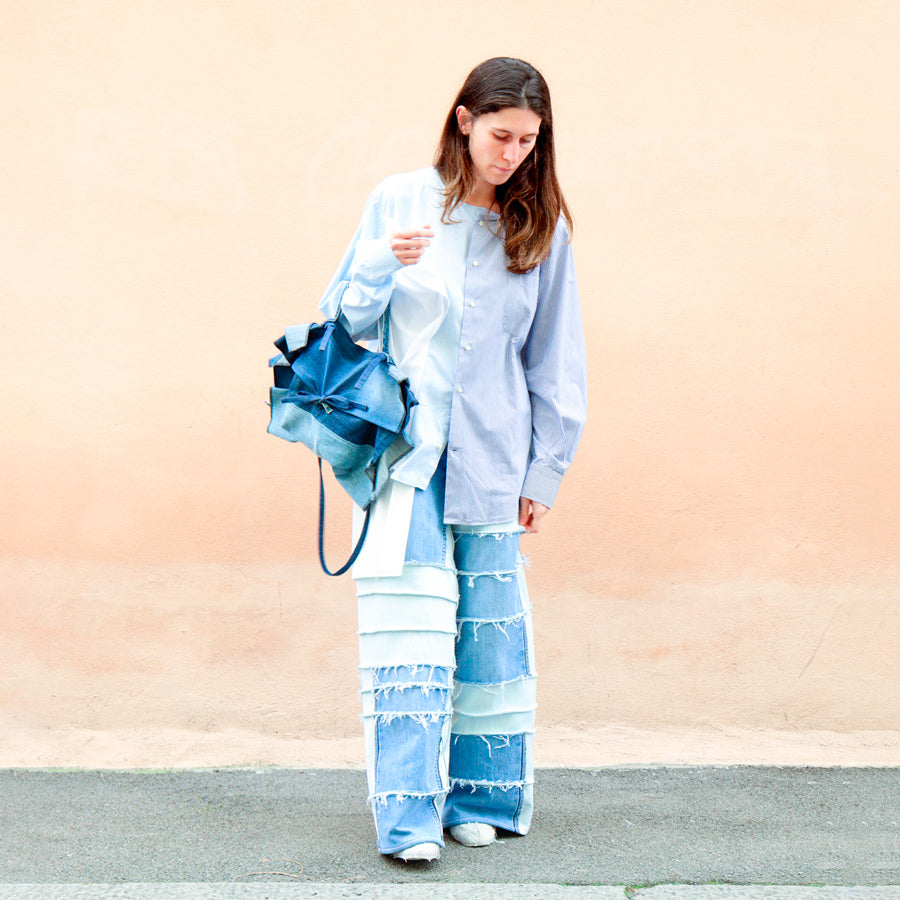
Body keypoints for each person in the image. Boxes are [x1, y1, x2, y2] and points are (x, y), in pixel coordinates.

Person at [318, 57, 587, 863]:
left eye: (530, 142)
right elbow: (340, 322)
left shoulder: (540, 227)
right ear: (464, 119)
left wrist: (547, 471)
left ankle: (483, 801)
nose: (514, 155)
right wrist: (379, 266)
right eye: (502, 135)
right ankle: (406, 817)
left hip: (497, 458)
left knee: (489, 639)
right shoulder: (397, 201)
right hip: (406, 457)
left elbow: (556, 360)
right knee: (410, 638)